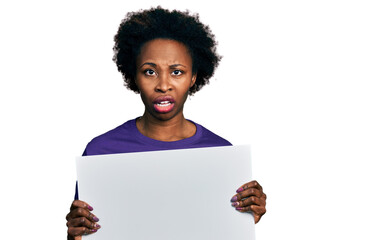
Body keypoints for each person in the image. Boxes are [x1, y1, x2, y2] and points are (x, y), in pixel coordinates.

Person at [66, 7, 267, 239]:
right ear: (134, 76)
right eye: (150, 71)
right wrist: (74, 235)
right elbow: (88, 234)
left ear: (193, 77)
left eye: (177, 72)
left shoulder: (222, 155)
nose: (163, 85)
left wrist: (245, 217)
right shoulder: (101, 152)